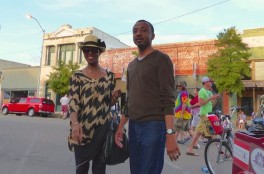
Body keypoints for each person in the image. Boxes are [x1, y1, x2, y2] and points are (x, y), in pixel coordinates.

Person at [115, 20, 180, 174]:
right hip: (134, 126)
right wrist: (120, 127)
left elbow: (168, 99)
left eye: (144, 30)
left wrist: (170, 134)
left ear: (153, 35)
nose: (138, 33)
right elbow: (130, 100)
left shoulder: (161, 59)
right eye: (135, 31)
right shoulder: (131, 66)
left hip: (154, 126)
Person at [67, 35, 122, 174]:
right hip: (81, 130)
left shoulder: (109, 76)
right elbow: (73, 102)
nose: (90, 53)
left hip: (102, 131)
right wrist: (75, 124)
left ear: (99, 52)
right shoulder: (77, 76)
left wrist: (113, 99)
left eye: (93, 50)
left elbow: (107, 104)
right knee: (81, 169)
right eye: (86, 50)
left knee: (99, 170)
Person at [186, 76, 219, 156]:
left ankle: (190, 149)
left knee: (198, 132)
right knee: (213, 132)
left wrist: (215, 98)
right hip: (205, 115)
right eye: (210, 81)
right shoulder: (202, 91)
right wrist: (211, 98)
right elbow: (202, 103)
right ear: (206, 83)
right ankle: (220, 151)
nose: (211, 83)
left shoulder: (209, 91)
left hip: (208, 114)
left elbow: (207, 103)